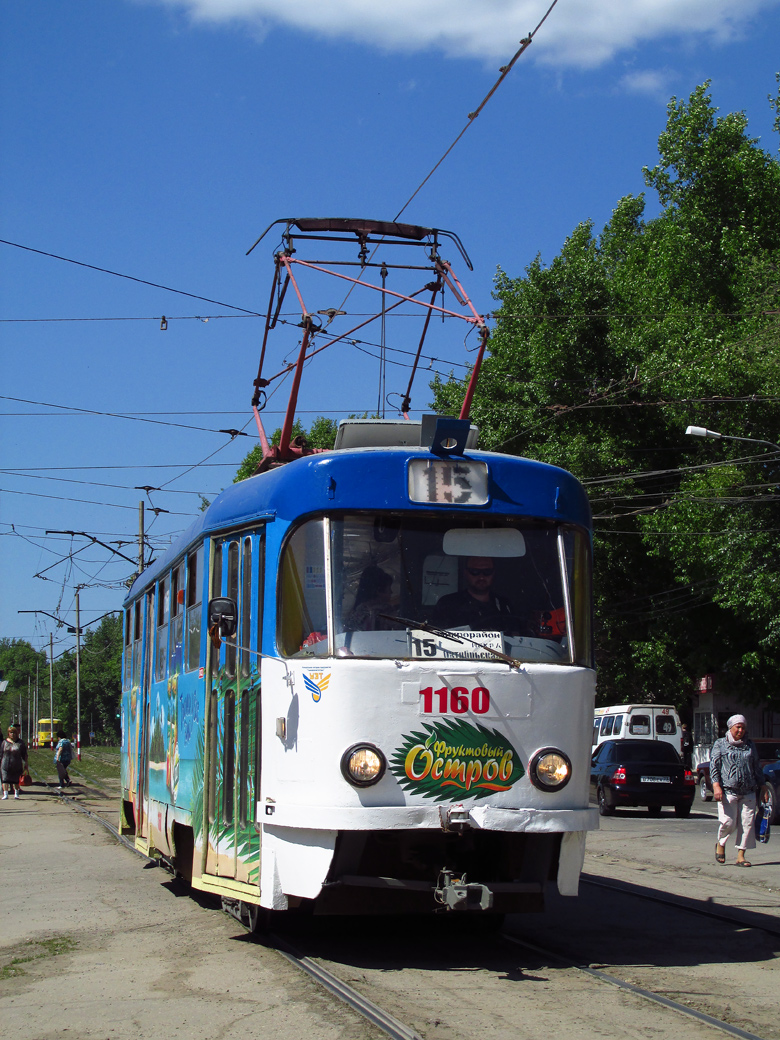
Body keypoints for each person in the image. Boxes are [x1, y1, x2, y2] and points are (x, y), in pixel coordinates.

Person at [710, 714, 765, 867]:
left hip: (748, 790)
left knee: (747, 824)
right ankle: (721, 843)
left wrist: (763, 785)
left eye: (743, 727)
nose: (740, 730)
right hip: (728, 791)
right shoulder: (720, 744)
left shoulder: (749, 745)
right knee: (729, 822)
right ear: (731, 727)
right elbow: (714, 766)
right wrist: (716, 786)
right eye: (737, 727)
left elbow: (756, 765)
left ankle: (741, 855)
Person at [429, 556, 514, 630]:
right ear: (466, 573)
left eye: (487, 571)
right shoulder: (447, 604)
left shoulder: (505, 606)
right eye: (475, 571)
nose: (481, 577)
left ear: (494, 573)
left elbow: (517, 638)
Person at [344, 565, 398, 632]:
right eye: (389, 588)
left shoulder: (353, 616)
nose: (391, 592)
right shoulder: (387, 612)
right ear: (378, 590)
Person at [1, 725, 29, 800]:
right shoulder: (4, 742)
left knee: (16, 779)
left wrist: (26, 764)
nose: (12, 734)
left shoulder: (20, 743)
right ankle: (5, 794)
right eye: (10, 733)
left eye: (13, 732)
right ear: (8, 733)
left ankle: (16, 793)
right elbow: (1, 754)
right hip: (5, 764)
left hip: (16, 764)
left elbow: (24, 754)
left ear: (16, 733)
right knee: (5, 779)